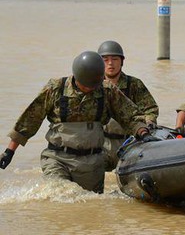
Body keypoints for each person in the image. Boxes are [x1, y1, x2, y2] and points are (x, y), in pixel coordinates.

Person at [0, 51, 155, 193]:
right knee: (58, 194)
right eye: (86, 86)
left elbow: (130, 116)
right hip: (57, 158)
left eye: (94, 86)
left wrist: (143, 133)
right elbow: (29, 120)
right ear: (77, 77)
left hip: (91, 164)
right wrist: (10, 151)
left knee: (89, 207)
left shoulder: (107, 90)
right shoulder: (56, 89)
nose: (90, 89)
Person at [97, 40, 159, 172]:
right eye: (105, 59)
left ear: (122, 61)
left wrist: (148, 123)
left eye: (114, 59)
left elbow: (150, 109)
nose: (110, 63)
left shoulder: (134, 84)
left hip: (129, 142)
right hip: (102, 143)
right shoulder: (93, 86)